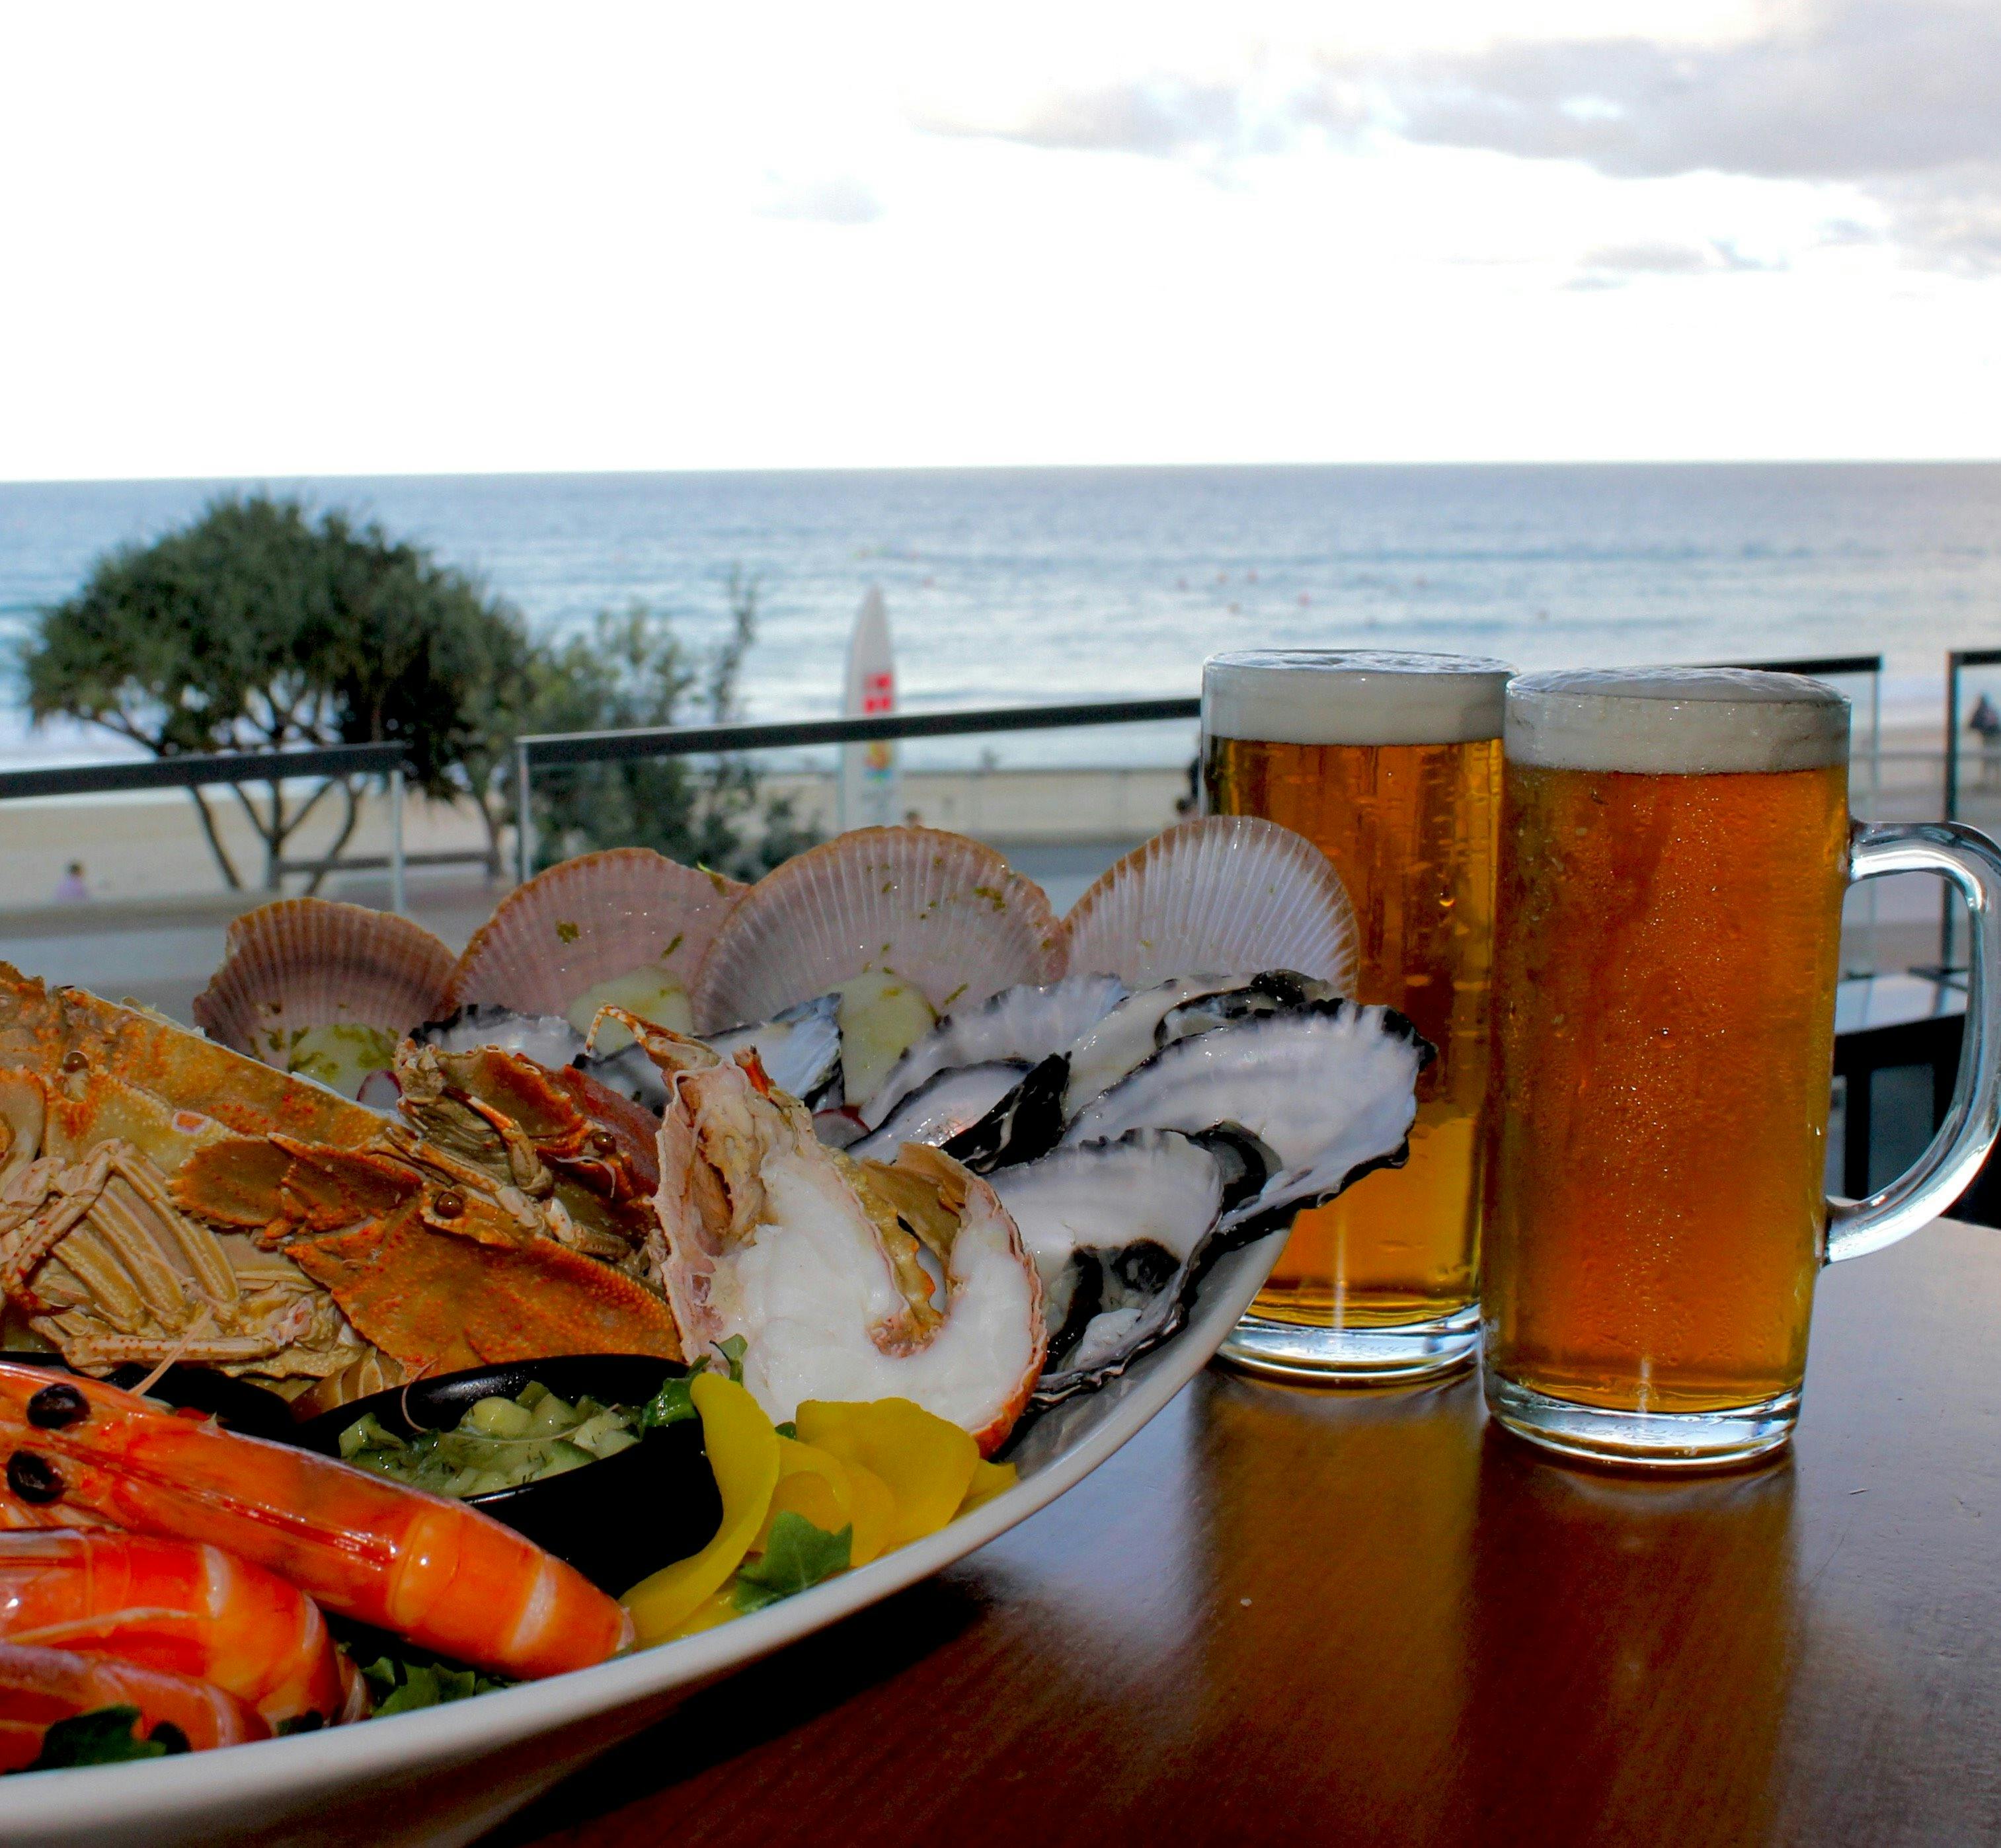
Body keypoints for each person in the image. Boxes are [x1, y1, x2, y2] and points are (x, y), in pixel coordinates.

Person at [1971, 694, 2001, 790]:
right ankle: (1995, 782)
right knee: (1995, 759)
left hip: (1989, 738)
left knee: (1988, 760)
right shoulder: (1990, 710)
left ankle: (1988, 782)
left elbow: (1972, 724)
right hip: (1995, 738)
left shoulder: (1981, 711)